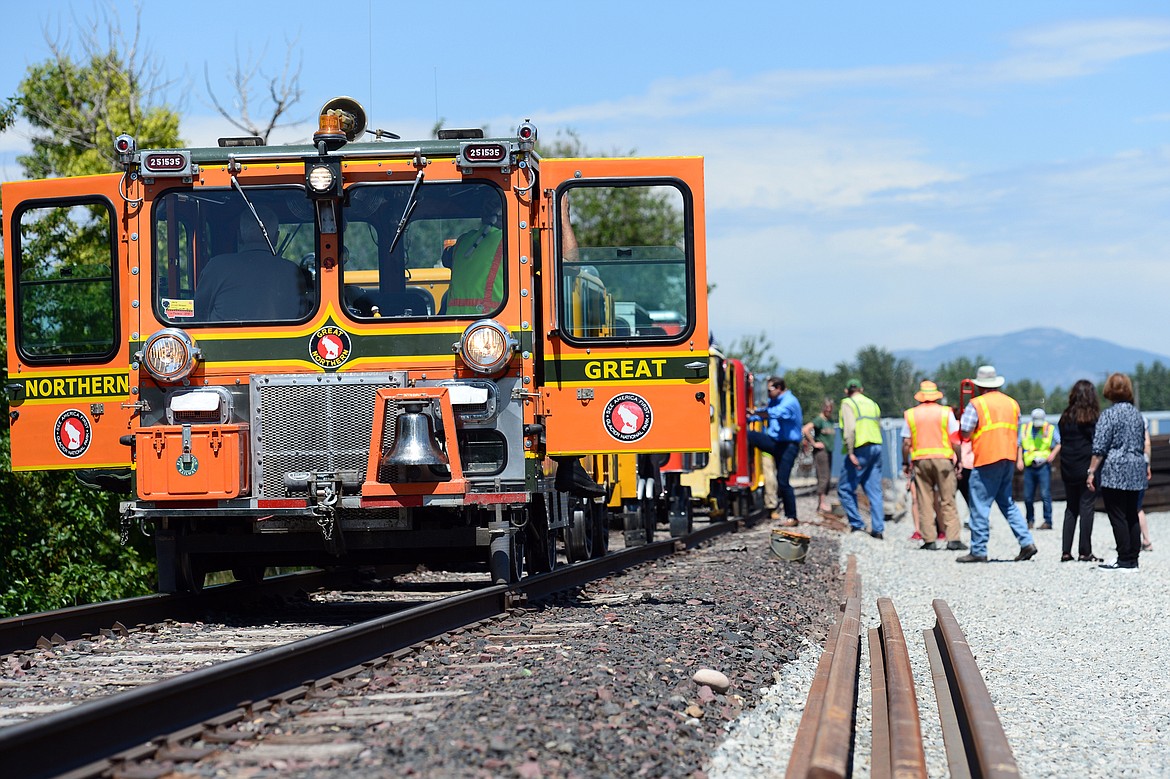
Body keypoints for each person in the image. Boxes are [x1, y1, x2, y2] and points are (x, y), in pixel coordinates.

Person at [955, 365, 1037, 563]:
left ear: (980, 385)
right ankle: (1027, 542)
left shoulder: (977, 404)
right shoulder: (1012, 403)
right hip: (1007, 457)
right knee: (1007, 502)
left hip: (986, 458)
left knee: (980, 505)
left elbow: (965, 432)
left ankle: (979, 550)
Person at [194, 206, 307, 322]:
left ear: (239, 235)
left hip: (225, 339)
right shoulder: (293, 271)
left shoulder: (215, 267)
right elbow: (302, 312)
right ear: (276, 238)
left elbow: (199, 314)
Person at [1087, 372, 1148, 570]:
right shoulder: (1137, 414)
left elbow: (1099, 447)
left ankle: (1123, 558)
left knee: (1117, 514)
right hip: (1136, 467)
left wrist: (1091, 471)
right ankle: (1133, 559)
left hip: (1115, 468)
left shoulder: (1109, 415)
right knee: (1132, 513)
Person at [901, 380, 965, 550]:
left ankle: (929, 540)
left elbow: (906, 443)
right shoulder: (945, 412)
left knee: (924, 500)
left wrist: (905, 462)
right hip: (943, 459)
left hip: (921, 460)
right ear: (936, 396)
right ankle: (953, 539)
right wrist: (959, 459)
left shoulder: (911, 414)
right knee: (947, 499)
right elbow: (955, 439)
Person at [748, 376, 803, 526]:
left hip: (789, 446)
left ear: (779, 388)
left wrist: (755, 413)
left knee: (783, 481)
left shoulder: (789, 402)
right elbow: (765, 413)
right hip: (777, 443)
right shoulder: (776, 401)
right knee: (750, 436)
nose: (768, 393)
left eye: (769, 389)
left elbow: (772, 413)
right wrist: (749, 417)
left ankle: (792, 516)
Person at [1057, 380, 1102, 562]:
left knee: (1071, 508)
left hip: (1068, 466)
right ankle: (1085, 551)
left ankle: (1066, 551)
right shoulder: (1093, 418)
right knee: (1087, 507)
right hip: (1086, 467)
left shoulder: (1065, 417)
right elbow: (1098, 444)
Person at [444, 188, 505, 316]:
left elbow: (446, 258)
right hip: (493, 322)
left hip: (454, 323)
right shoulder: (511, 241)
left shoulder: (462, 242)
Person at [837, 378, 885, 538]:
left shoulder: (848, 403)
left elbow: (850, 429)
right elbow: (878, 425)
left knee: (845, 488)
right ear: (861, 389)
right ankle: (878, 529)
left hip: (860, 448)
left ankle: (857, 525)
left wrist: (850, 452)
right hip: (876, 446)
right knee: (874, 490)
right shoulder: (872, 404)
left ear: (846, 391)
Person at [1017, 408, 1061, 530]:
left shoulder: (1049, 428)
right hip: (1029, 465)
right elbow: (1019, 445)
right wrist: (1019, 459)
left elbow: (1059, 442)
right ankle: (1030, 521)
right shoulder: (1025, 428)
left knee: (1045, 494)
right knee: (1028, 496)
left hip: (1043, 465)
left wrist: (1053, 454)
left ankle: (1048, 521)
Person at [802, 398, 836, 516]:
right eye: (826, 408)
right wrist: (814, 443)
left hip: (829, 451)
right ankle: (822, 503)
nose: (828, 410)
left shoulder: (830, 420)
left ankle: (822, 502)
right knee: (823, 477)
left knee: (828, 477)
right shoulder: (819, 420)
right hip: (821, 452)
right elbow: (805, 429)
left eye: (830, 408)